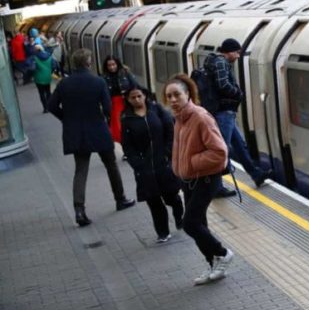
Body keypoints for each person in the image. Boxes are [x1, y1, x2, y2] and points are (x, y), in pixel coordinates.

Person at [47, 48, 135, 226]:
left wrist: (66, 118)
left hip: (76, 133)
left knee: (80, 171)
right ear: (88, 62)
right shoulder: (98, 82)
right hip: (98, 129)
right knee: (111, 165)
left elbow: (51, 105)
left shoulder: (64, 83)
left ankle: (79, 210)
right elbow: (109, 109)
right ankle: (120, 199)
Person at [165, 74, 235, 285]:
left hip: (205, 179)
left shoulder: (200, 117)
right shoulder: (179, 118)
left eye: (177, 94)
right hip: (189, 180)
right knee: (199, 223)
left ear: (188, 94)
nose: (173, 99)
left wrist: (191, 162)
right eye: (169, 96)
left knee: (190, 223)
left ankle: (222, 254)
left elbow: (219, 152)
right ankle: (213, 264)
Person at [202, 38, 272, 195]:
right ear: (228, 51)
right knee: (222, 150)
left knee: (240, 146)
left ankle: (257, 175)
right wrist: (238, 94)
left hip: (226, 112)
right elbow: (223, 85)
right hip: (223, 112)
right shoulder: (221, 62)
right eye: (236, 52)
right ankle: (216, 187)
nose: (238, 56)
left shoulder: (216, 61)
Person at [122, 85, 184, 243]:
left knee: (171, 197)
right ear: (128, 100)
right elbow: (127, 146)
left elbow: (171, 131)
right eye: (133, 98)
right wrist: (137, 164)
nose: (136, 100)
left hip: (163, 163)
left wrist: (167, 153)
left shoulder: (157, 110)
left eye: (139, 96)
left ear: (145, 96)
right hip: (145, 169)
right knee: (154, 201)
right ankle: (163, 232)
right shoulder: (127, 119)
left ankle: (179, 215)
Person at [103, 56, 138, 144]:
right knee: (118, 128)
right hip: (114, 104)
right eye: (109, 65)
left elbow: (134, 85)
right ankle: (125, 146)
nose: (112, 67)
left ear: (117, 64)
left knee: (129, 125)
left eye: (113, 64)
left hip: (126, 102)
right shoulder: (104, 77)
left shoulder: (125, 73)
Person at [32, 44, 56, 113]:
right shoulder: (49, 56)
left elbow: (32, 68)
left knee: (41, 93)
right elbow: (54, 65)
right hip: (47, 77)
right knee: (48, 92)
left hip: (38, 78)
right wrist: (50, 72)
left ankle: (45, 108)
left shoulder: (34, 58)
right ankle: (50, 106)